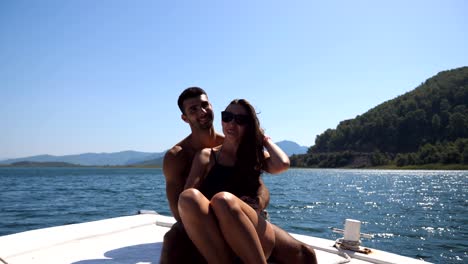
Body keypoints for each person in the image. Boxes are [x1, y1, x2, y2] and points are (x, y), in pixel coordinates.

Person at [178, 99, 318, 264]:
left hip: (251, 225)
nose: (231, 123)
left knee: (306, 254)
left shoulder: (255, 156)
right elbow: (187, 202)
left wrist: (263, 139)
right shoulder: (206, 156)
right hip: (216, 229)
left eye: (240, 120)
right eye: (227, 116)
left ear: (250, 125)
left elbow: (282, 164)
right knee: (191, 197)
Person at [160, 88, 271, 264]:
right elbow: (179, 211)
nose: (202, 112)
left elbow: (260, 184)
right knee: (172, 240)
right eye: (193, 109)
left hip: (239, 218)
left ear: (212, 106)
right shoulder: (177, 156)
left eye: (205, 105)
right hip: (201, 222)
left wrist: (259, 200)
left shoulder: (232, 142)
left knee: (304, 254)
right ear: (185, 118)